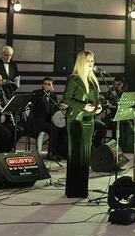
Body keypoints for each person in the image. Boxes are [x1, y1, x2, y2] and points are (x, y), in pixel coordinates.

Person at [63, 50, 101, 198]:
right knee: (76, 155)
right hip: (76, 120)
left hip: (88, 119)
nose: (91, 63)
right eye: (88, 60)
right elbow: (66, 99)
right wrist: (82, 106)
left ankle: (82, 188)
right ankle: (73, 190)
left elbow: (97, 97)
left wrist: (99, 106)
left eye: (92, 60)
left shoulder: (92, 79)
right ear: (81, 62)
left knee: (85, 154)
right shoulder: (74, 79)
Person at [29, 76, 68, 159]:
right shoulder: (37, 93)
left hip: (48, 120)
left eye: (49, 84)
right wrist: (44, 93)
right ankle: (51, 153)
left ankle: (58, 151)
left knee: (63, 127)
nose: (46, 86)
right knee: (53, 128)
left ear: (52, 86)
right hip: (37, 121)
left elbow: (54, 109)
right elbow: (34, 101)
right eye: (45, 84)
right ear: (42, 85)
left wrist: (60, 107)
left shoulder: (53, 95)